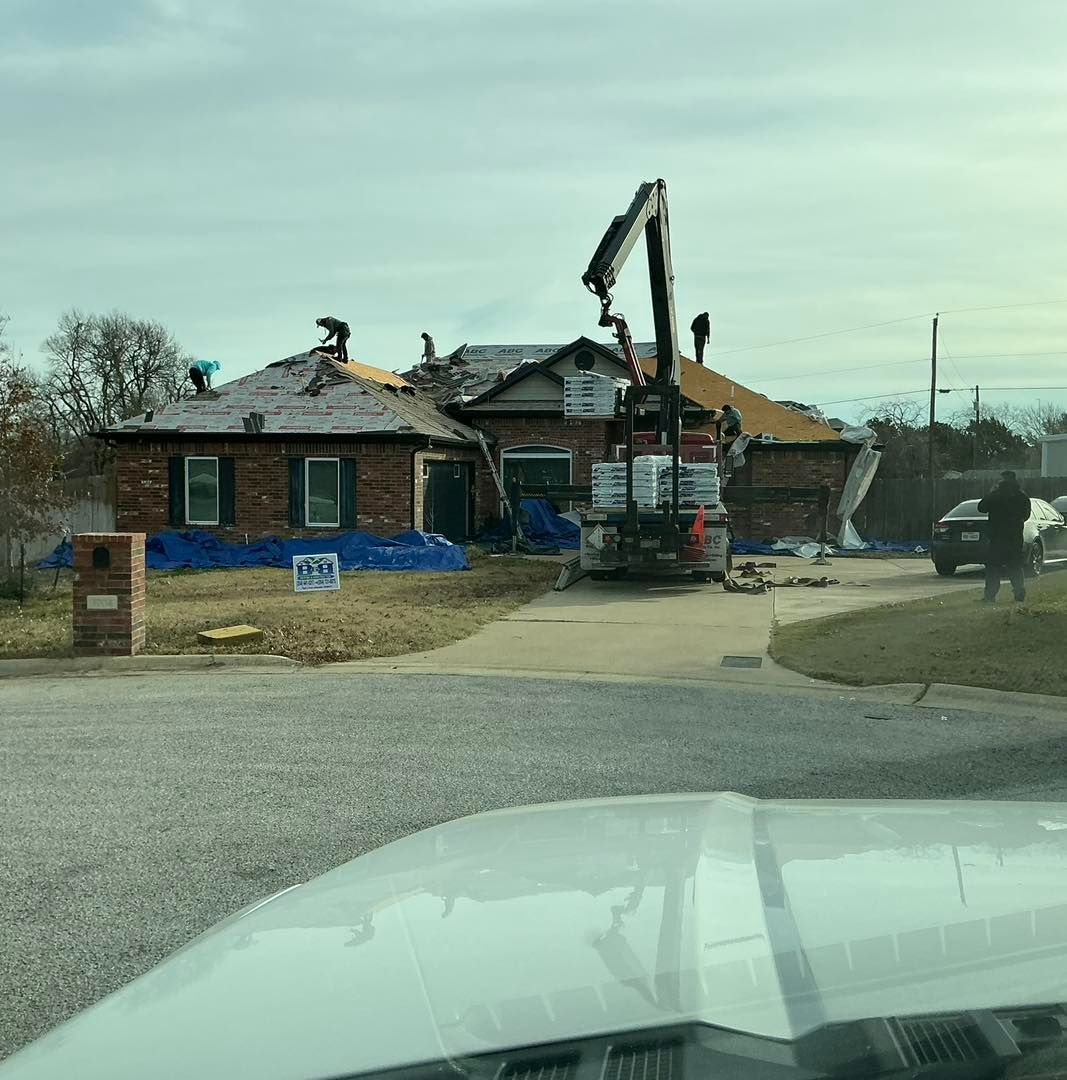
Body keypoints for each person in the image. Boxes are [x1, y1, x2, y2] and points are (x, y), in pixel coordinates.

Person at [977, 470, 1031, 603]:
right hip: (1015, 537)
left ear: (1002, 480)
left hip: (997, 537)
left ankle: (990, 596)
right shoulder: (1021, 496)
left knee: (993, 568)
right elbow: (1026, 515)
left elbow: (981, 507)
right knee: (1015, 566)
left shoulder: (995, 495)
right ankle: (1019, 593)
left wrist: (990, 492)